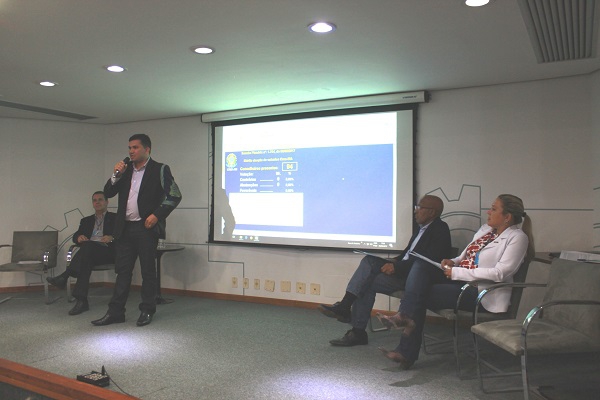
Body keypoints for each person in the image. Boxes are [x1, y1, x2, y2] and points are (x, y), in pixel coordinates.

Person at [378, 194, 534, 370]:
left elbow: (500, 273)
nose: (488, 212)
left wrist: (457, 272)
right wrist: (453, 261)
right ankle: (405, 327)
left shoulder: (517, 237)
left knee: (418, 295)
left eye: (494, 209)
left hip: (481, 292)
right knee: (421, 266)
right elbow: (465, 256)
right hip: (461, 282)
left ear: (507, 217)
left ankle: (405, 344)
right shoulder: (486, 230)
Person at [318, 195, 452, 347]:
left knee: (368, 267)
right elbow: (408, 254)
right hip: (404, 272)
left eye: (419, 207)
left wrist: (397, 267)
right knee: (367, 277)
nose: (415, 211)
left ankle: (347, 311)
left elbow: (427, 261)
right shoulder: (420, 229)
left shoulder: (440, 229)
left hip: (415, 279)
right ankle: (356, 330)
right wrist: (394, 261)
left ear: (432, 212)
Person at [91, 133, 182, 327]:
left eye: (135, 147)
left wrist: (157, 215)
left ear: (147, 149)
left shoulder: (160, 169)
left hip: (145, 228)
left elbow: (174, 195)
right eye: (129, 148)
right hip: (124, 228)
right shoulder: (125, 170)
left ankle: (147, 310)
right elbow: (108, 192)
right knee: (123, 271)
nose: (131, 151)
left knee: (148, 271)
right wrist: (116, 174)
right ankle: (115, 312)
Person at [47, 191, 116, 315]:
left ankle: (65, 276)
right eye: (94, 200)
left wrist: (112, 237)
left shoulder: (115, 218)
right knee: (86, 258)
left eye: (100, 199)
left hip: (107, 252)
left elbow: (124, 235)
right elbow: (76, 235)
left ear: (107, 202)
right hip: (89, 254)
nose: (97, 202)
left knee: (87, 248)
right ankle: (81, 301)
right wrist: (79, 238)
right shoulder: (86, 220)